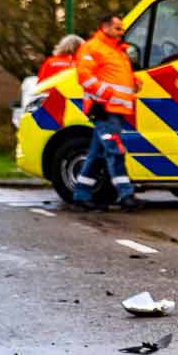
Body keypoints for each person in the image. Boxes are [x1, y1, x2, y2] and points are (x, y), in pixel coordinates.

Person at [70, 12, 139, 213]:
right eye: (117, 28)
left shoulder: (116, 50)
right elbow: (84, 76)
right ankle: (125, 194)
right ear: (105, 27)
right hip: (103, 108)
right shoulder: (92, 48)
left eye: (122, 29)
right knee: (114, 150)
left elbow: (114, 75)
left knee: (97, 153)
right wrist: (106, 93)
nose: (121, 32)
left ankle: (81, 194)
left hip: (115, 109)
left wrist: (134, 82)